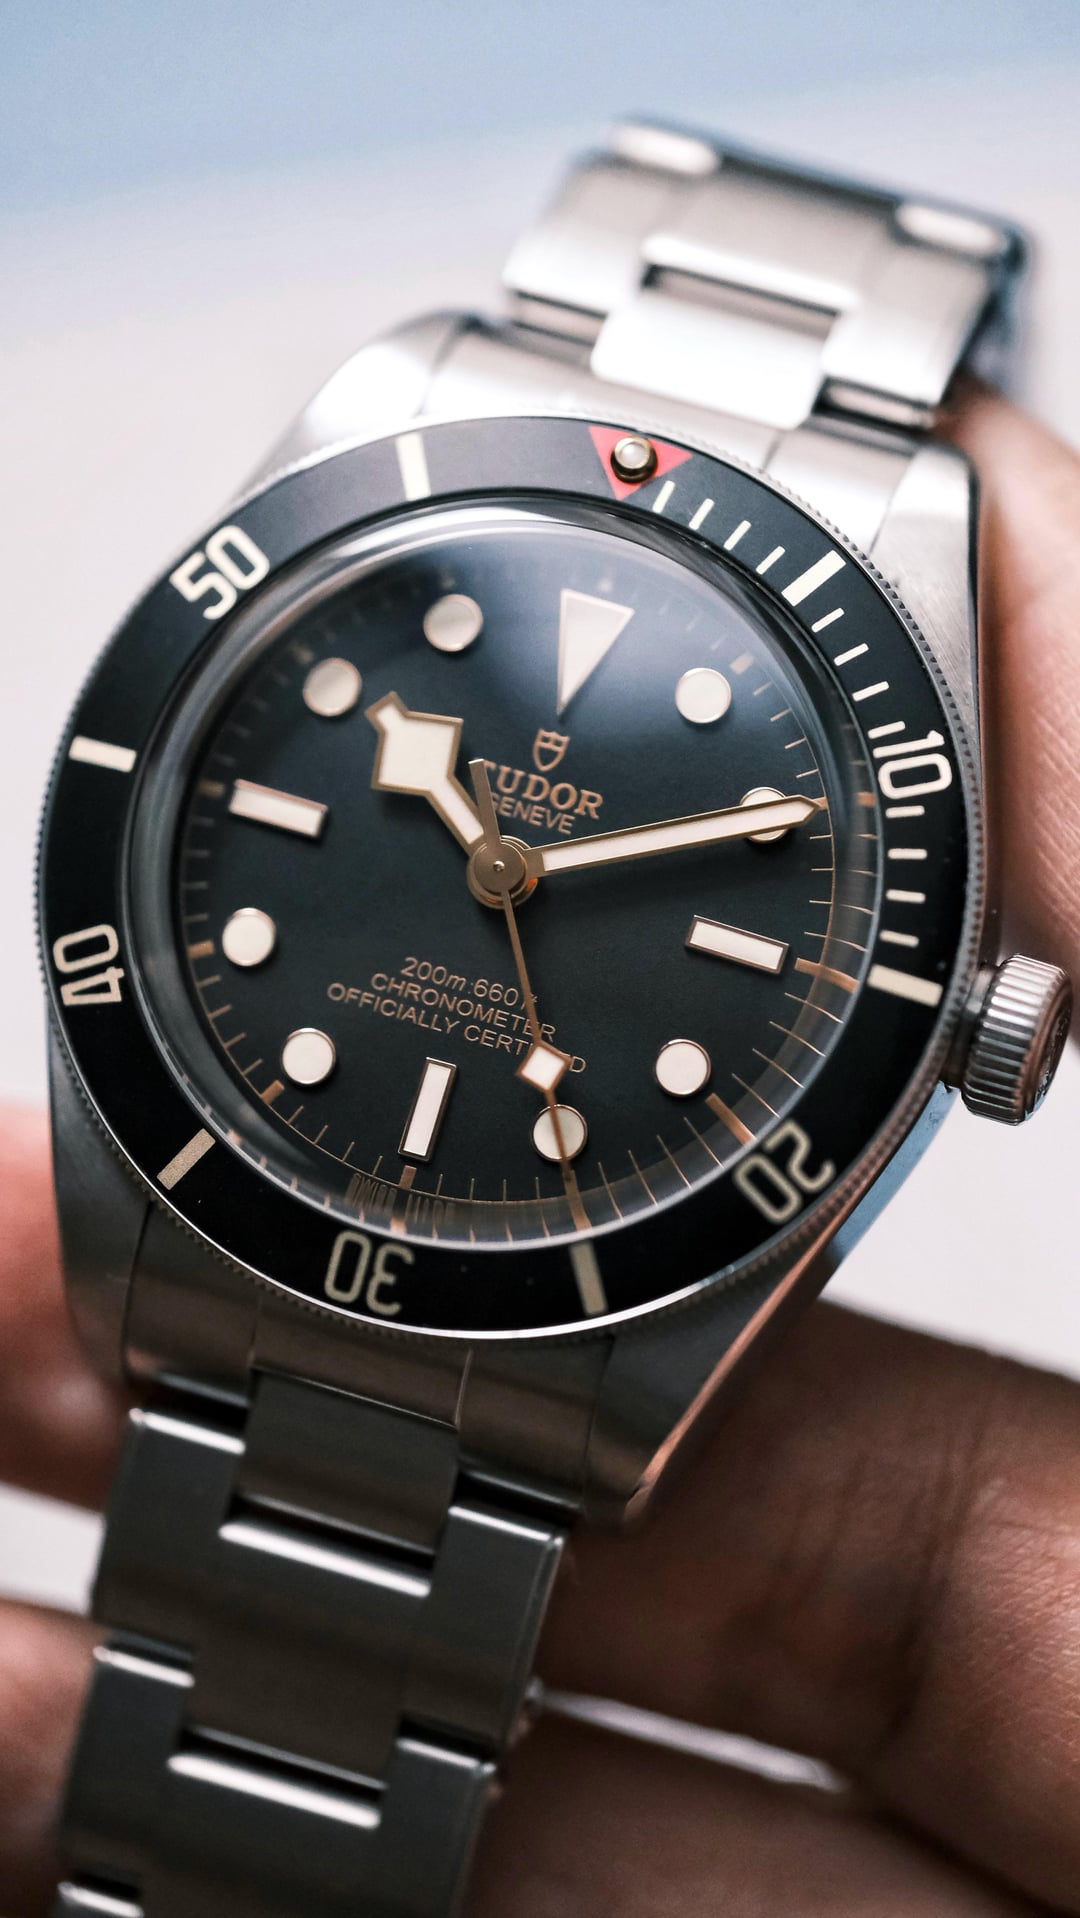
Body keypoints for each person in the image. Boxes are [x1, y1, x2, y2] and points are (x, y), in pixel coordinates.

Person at [2, 387, 1078, 1916]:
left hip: (548, 1348)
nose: (502, 868)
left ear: (985, 1027)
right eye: (488, 851)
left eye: (515, 864)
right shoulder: (404, 411)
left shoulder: (889, 538)